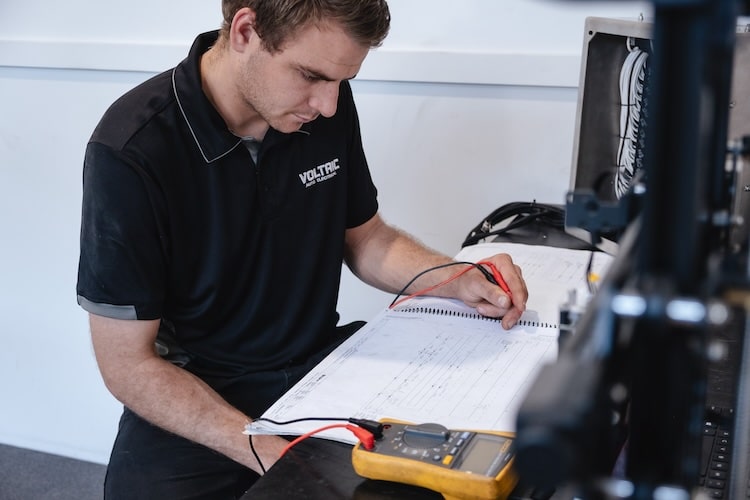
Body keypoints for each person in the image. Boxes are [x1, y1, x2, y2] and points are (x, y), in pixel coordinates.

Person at [76, 0, 528, 498]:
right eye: (311, 76)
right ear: (246, 31)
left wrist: (456, 276)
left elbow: (368, 241)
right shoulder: (132, 150)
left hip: (319, 367)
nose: (329, 104)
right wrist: (264, 448)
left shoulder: (321, 103)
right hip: (200, 391)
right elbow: (128, 365)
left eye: (342, 81)